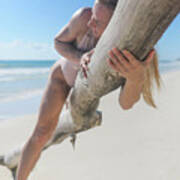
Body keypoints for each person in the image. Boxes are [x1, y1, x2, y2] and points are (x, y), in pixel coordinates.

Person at [16, 0, 161, 179]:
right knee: (42, 133)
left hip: (87, 90)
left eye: (98, 22)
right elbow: (58, 41)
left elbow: (126, 104)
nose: (90, 23)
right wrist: (80, 57)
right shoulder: (84, 17)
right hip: (62, 78)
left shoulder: (132, 48)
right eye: (93, 15)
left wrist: (136, 78)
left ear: (116, 26)